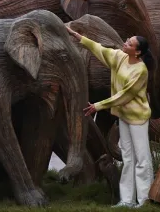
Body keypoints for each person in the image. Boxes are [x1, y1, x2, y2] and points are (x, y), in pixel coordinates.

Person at [66, 24, 155, 208]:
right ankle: (126, 200)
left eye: (129, 43)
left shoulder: (141, 71)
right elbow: (100, 49)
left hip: (137, 119)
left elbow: (125, 95)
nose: (125, 43)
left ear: (137, 52)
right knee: (128, 158)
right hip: (123, 117)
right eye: (127, 40)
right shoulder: (120, 58)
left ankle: (145, 199)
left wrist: (98, 105)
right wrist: (79, 38)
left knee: (142, 158)